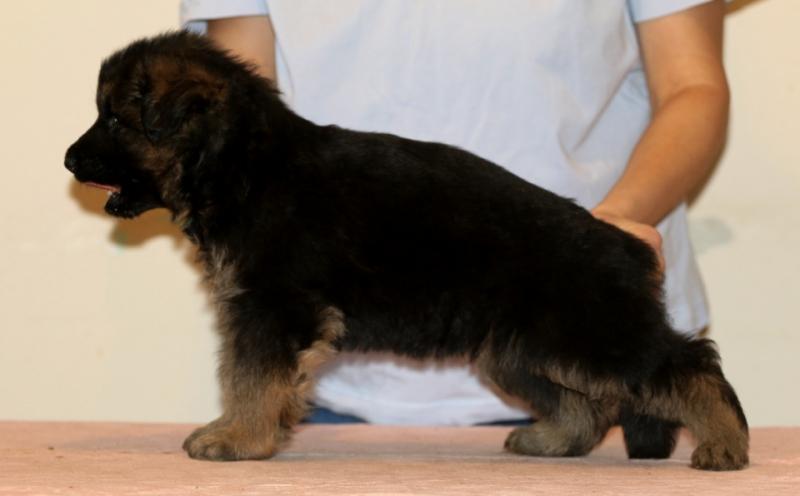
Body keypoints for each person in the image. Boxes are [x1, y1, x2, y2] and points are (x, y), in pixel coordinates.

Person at [179, 0, 729, 426]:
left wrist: (609, 228)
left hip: (575, 315)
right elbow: (244, 117)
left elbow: (692, 87)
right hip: (332, 383)